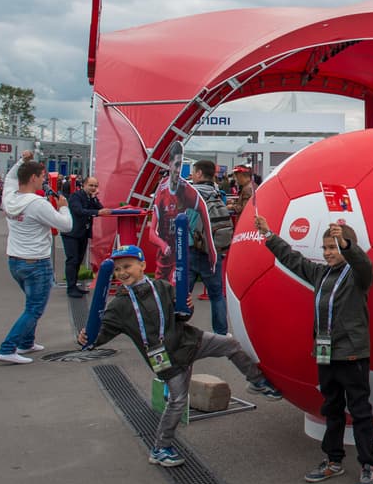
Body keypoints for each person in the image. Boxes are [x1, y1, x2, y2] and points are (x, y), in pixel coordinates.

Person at [78, 245, 282, 467]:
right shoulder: (119, 305)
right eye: (117, 270)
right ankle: (161, 448)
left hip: (189, 341)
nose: (122, 272)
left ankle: (257, 381)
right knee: (177, 401)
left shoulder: (162, 287)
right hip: (168, 360)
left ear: (143, 265)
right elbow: (103, 332)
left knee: (230, 344)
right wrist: (88, 339)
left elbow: (181, 315)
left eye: (127, 266)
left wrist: (187, 308)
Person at [254, 215, 373, 484]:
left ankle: (368, 465)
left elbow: (363, 264)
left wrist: (346, 243)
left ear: (347, 246)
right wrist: (269, 235)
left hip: (352, 356)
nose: (327, 253)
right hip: (325, 354)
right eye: (325, 248)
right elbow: (293, 259)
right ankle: (333, 461)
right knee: (331, 408)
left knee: (359, 410)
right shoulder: (321, 274)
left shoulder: (359, 276)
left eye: (333, 247)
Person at [0, 151, 73, 364]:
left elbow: (11, 177)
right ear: (33, 178)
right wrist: (64, 208)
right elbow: (66, 225)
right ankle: (7, 347)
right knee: (35, 308)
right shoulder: (37, 204)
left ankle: (27, 342)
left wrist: (23, 160)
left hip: (15, 260)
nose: (44, 181)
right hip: (36, 262)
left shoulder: (10, 196)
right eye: (42, 177)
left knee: (31, 303)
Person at [146, 141, 214, 284]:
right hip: (163, 259)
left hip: (181, 257)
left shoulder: (186, 189)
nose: (178, 169)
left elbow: (204, 212)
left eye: (181, 164)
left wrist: (212, 250)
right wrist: (163, 245)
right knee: (162, 295)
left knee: (179, 294)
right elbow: (151, 233)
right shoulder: (162, 190)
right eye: (176, 165)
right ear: (170, 164)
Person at [185, 160, 231, 331]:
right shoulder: (218, 193)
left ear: (198, 173)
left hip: (191, 248)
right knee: (217, 295)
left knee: (182, 294)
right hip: (212, 249)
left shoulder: (190, 193)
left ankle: (175, 332)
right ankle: (221, 334)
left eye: (193, 172)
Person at [63, 175, 111, 298]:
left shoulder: (90, 198)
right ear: (84, 185)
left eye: (95, 186)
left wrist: (95, 198)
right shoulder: (75, 197)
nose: (93, 188)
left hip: (83, 233)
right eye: (91, 185)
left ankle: (74, 285)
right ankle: (71, 287)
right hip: (71, 233)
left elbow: (100, 209)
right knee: (72, 260)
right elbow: (79, 211)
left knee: (78, 260)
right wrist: (96, 212)